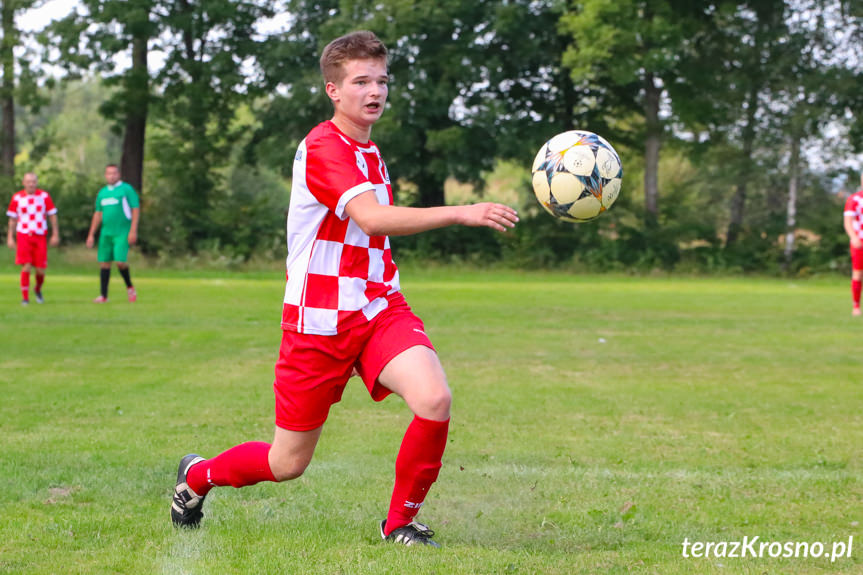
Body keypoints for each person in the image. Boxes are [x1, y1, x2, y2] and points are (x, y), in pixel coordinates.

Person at [170, 30, 518, 547]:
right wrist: (462, 212)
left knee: (434, 398)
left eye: (382, 80)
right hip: (318, 321)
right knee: (286, 463)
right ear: (334, 90)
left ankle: (399, 523)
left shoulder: (370, 151)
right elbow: (372, 219)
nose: (375, 90)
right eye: (361, 81)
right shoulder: (323, 148)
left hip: (377, 306)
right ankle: (197, 477)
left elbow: (370, 237)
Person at [86, 164, 140, 303]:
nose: (112, 176)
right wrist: (91, 234)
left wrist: (133, 230)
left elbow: (135, 209)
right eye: (109, 173)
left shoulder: (126, 189)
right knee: (104, 263)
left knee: (120, 262)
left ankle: (130, 287)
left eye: (114, 173)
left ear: (119, 174)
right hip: (106, 233)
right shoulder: (102, 193)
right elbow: (98, 213)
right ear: (105, 175)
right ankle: (103, 296)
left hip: (122, 232)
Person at [6, 172, 59, 305]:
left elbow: (52, 215)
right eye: (28, 181)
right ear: (23, 183)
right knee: (27, 266)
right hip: (24, 235)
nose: (31, 184)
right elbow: (12, 219)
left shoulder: (44, 196)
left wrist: (55, 234)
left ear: (37, 183)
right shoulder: (17, 197)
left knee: (40, 269)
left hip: (40, 235)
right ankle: (25, 298)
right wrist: (10, 237)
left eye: (34, 181)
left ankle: (37, 289)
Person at [843, 172, 863, 316]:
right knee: (858, 273)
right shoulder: (854, 199)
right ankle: (856, 307)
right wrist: (853, 237)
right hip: (859, 241)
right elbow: (848, 222)